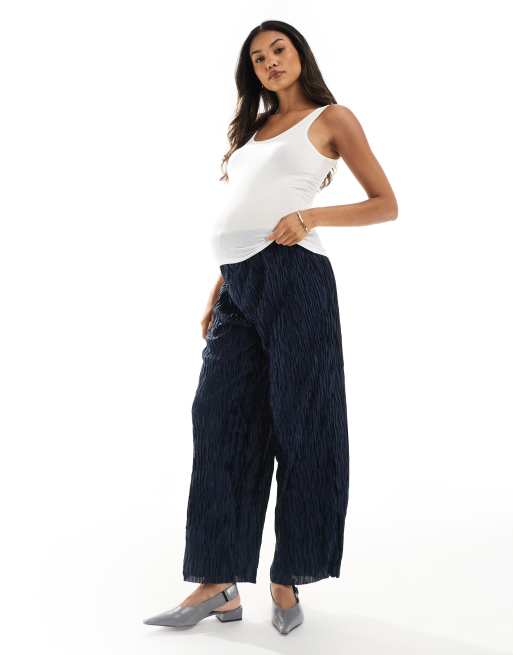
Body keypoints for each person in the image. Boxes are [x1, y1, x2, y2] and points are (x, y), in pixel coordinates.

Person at [144, 19, 398, 635]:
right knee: (220, 420)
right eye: (258, 58)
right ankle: (219, 582)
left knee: (303, 425)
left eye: (278, 50)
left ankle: (288, 577)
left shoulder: (332, 119)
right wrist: (219, 288)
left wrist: (310, 216)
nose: (270, 62)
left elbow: (385, 204)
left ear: (299, 53)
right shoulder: (254, 131)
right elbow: (244, 214)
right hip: (239, 285)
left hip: (295, 278)